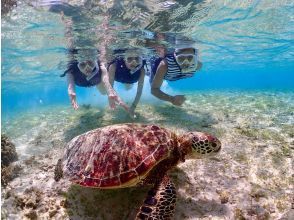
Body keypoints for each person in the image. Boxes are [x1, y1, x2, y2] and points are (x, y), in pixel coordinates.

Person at [60, 51, 129, 112]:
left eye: (90, 63)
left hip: (97, 81)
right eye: (82, 65)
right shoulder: (71, 70)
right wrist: (71, 91)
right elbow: (70, 86)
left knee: (104, 92)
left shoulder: (101, 67)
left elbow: (106, 81)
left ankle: (128, 86)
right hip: (87, 81)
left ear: (95, 62)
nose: (87, 68)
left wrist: (110, 92)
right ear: (77, 65)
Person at [107, 49, 146, 117]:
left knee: (128, 88)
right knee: (103, 92)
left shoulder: (142, 70)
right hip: (119, 77)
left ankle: (126, 86)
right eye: (129, 59)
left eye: (137, 59)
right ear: (124, 59)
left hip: (131, 80)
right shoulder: (114, 66)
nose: (133, 62)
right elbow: (110, 88)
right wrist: (123, 104)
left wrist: (133, 107)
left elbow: (139, 91)